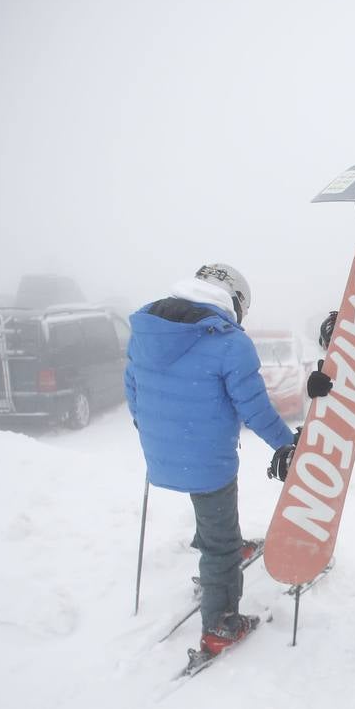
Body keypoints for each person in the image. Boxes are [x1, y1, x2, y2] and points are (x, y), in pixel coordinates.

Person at [124, 263, 298, 657]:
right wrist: (288, 446)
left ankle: (222, 544)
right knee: (219, 544)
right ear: (234, 300)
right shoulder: (228, 342)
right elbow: (254, 408)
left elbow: (133, 390)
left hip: (162, 450)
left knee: (208, 509)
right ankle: (220, 623)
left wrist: (153, 432)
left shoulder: (148, 328)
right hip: (206, 458)